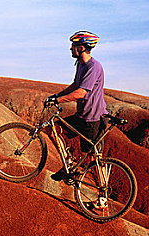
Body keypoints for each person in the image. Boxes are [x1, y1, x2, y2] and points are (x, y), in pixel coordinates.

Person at [45, 31, 108, 182]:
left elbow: (80, 93)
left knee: (94, 158)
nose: (70, 48)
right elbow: (75, 85)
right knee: (53, 130)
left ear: (81, 47)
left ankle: (102, 199)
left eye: (73, 45)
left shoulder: (94, 66)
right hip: (81, 116)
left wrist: (58, 100)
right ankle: (69, 164)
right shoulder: (80, 65)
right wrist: (56, 95)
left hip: (94, 119)